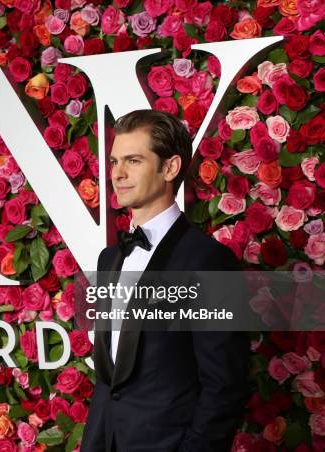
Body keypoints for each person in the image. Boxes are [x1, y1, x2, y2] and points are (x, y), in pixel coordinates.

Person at [80, 110, 250, 452]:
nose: (118, 174)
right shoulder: (109, 259)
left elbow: (225, 385)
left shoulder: (208, 262)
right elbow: (110, 381)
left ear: (170, 168)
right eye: (114, 162)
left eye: (133, 160)